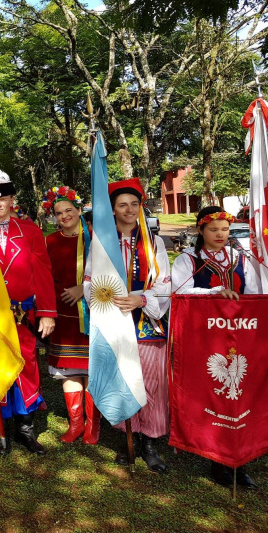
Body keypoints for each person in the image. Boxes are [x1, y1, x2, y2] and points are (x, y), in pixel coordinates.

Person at [85, 178, 171, 473]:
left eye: (135, 204)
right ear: (112, 209)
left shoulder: (154, 243)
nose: (130, 210)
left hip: (146, 322)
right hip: (115, 319)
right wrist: (106, 299)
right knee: (122, 379)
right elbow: (89, 281)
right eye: (123, 205)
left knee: (151, 382)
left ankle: (149, 443)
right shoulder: (101, 244)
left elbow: (165, 283)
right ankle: (127, 438)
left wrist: (141, 299)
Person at [171, 207, 258, 489]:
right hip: (204, 339)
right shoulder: (188, 259)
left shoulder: (240, 258)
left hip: (240, 336)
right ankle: (216, 457)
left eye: (225, 229)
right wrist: (213, 292)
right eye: (213, 229)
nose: (220, 235)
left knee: (240, 398)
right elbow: (179, 292)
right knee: (212, 396)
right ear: (200, 230)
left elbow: (254, 294)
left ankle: (238, 461)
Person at [0, 171, 56, 455]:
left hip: (23, 315)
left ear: (11, 200)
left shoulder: (30, 231)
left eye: (3, 198)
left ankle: (25, 429)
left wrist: (47, 313)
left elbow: (43, 273)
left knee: (26, 365)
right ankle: (0, 431)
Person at [42, 186, 99, 444]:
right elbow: (43, 275)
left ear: (79, 209)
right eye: (58, 213)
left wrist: (83, 289)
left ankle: (93, 426)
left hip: (94, 313)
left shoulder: (96, 239)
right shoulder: (50, 242)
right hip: (62, 313)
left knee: (92, 370)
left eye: (68, 210)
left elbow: (110, 274)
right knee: (69, 369)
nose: (64, 216)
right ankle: (76, 423)